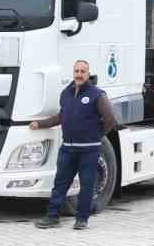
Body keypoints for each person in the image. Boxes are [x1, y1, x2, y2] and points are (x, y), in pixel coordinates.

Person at [31, 59, 117, 230]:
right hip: (68, 149)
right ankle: (52, 217)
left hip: (89, 150)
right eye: (76, 71)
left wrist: (96, 136)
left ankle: (82, 219)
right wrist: (40, 124)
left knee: (86, 185)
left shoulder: (97, 95)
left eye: (82, 71)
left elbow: (110, 120)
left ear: (88, 73)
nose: (79, 74)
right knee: (60, 183)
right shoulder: (66, 93)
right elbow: (60, 117)